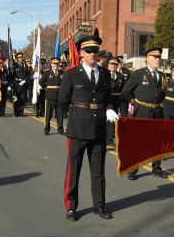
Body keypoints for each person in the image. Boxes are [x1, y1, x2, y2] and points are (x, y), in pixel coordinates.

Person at [58, 35, 118, 221]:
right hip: (77, 128)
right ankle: (71, 206)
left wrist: (108, 110)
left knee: (98, 171)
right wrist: (77, 114)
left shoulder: (105, 74)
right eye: (89, 51)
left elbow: (108, 99)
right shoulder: (71, 74)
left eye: (96, 51)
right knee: (74, 169)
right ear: (81, 53)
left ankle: (99, 206)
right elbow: (63, 100)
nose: (93, 54)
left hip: (99, 128)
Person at [121, 47, 168, 180]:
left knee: (157, 141)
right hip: (142, 110)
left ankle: (157, 167)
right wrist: (135, 103)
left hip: (157, 111)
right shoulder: (139, 74)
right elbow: (126, 91)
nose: (157, 60)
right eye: (155, 58)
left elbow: (163, 93)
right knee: (139, 140)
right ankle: (134, 168)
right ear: (148, 59)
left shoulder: (162, 76)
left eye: (158, 58)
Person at [39, 58, 64, 135]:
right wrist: (46, 88)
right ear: (51, 64)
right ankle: (47, 129)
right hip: (50, 96)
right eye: (54, 63)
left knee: (60, 114)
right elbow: (41, 82)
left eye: (57, 63)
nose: (56, 65)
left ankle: (60, 129)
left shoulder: (63, 73)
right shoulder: (47, 73)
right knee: (48, 114)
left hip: (60, 96)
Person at [106, 57, 125, 146]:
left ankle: (109, 140)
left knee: (112, 120)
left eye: (115, 65)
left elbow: (123, 89)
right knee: (103, 119)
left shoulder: (121, 76)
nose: (113, 66)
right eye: (112, 64)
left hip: (116, 100)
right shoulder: (104, 74)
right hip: (106, 100)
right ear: (108, 65)